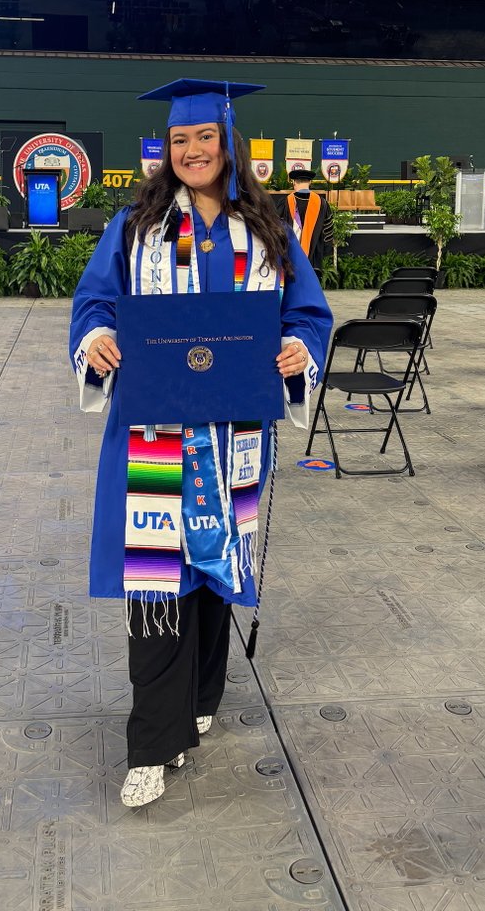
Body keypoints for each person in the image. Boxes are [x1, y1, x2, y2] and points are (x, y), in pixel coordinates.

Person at [69, 79, 332, 809]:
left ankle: (201, 696)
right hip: (153, 434)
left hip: (233, 435)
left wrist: (296, 351)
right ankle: (153, 743)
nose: (190, 151)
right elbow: (94, 300)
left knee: (215, 575)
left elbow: (308, 313)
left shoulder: (270, 228)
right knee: (157, 584)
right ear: (167, 150)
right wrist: (98, 338)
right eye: (178, 141)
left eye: (203, 138)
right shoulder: (135, 224)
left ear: (228, 144)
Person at [275, 168, 333, 277]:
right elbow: (328, 231)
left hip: (291, 256)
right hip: (314, 258)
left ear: (294, 182)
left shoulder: (285, 202)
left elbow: (277, 228)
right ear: (310, 182)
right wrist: (325, 251)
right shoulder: (322, 203)